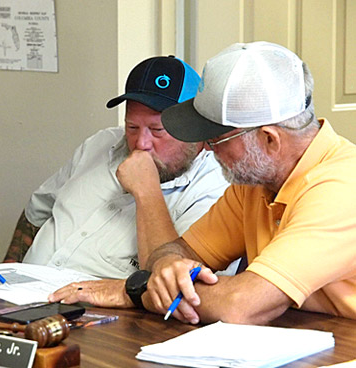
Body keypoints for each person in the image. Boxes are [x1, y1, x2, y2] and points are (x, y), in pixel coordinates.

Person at [50, 41, 356, 324]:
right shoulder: (255, 183)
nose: (207, 148)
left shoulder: (342, 188)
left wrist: (136, 292)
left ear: (269, 139)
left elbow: (240, 304)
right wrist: (168, 269)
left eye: (218, 138)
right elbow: (173, 251)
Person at [3, 55, 234, 280]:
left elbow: (174, 281)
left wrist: (146, 190)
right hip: (20, 295)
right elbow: (37, 210)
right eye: (132, 127)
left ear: (194, 129)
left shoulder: (217, 188)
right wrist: (8, 271)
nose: (141, 144)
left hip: (100, 311)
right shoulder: (101, 143)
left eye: (157, 131)